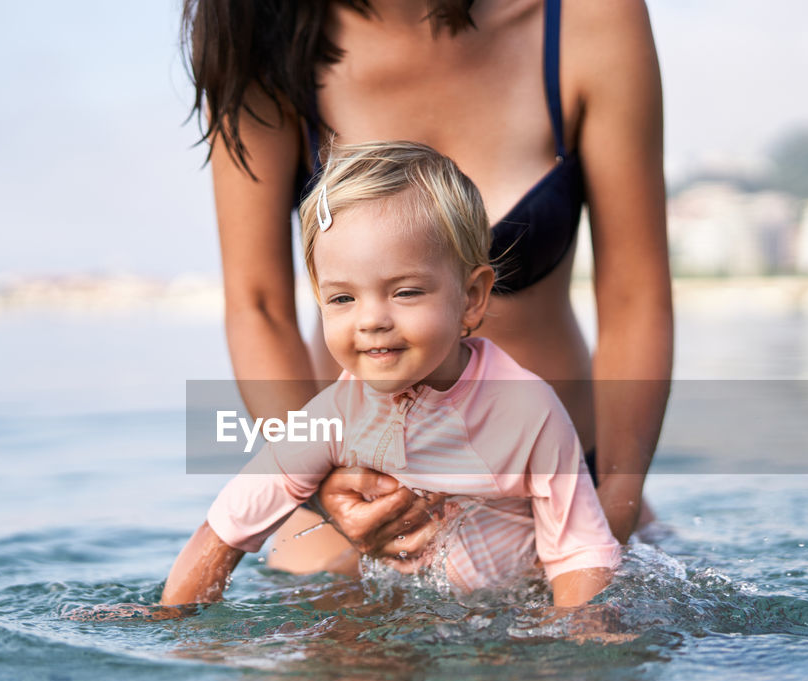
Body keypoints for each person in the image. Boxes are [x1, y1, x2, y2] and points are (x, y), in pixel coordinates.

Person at [185, 0, 672, 573]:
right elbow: (259, 307)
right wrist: (330, 496)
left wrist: (612, 507)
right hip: (352, 502)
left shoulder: (590, 17)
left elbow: (634, 300)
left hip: (566, 487)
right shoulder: (264, 36)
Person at [161, 142, 620, 607]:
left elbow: (580, 553)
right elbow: (224, 529)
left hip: (512, 614)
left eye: (404, 292)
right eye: (342, 299)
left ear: (472, 298)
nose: (371, 320)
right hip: (408, 615)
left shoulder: (527, 411)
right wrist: (173, 625)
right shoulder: (331, 421)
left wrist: (579, 647)